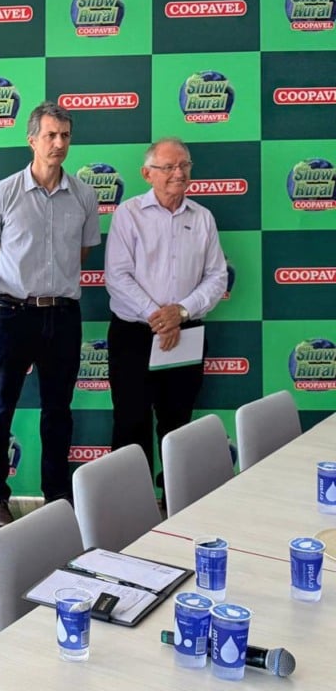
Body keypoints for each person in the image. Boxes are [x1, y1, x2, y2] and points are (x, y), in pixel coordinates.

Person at [0, 101, 100, 528]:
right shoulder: (4, 192)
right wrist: (19, 288)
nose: (59, 143)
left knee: (58, 410)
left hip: (63, 315)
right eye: (50, 135)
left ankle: (57, 494)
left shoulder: (84, 195)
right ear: (32, 140)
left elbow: (81, 253)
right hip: (13, 314)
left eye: (65, 135)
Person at [105, 137, 227, 492]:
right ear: (147, 174)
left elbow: (217, 276)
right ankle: (128, 504)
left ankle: (176, 503)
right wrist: (159, 318)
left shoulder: (202, 218)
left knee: (178, 425)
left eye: (184, 165)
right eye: (169, 167)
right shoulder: (128, 214)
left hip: (185, 332)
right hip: (133, 335)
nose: (179, 173)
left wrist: (181, 312)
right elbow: (117, 275)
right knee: (130, 423)